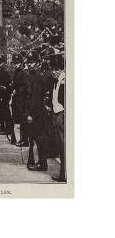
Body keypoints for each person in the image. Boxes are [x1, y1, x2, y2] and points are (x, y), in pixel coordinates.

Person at [51, 53, 66, 182]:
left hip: (62, 115)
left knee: (63, 145)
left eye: (56, 69)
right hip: (56, 114)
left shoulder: (64, 81)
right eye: (52, 69)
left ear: (62, 69)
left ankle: (64, 174)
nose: (53, 71)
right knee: (59, 144)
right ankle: (62, 173)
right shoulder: (56, 81)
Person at [11, 54, 30, 147]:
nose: (16, 64)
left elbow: (25, 86)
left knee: (22, 121)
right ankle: (18, 138)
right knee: (17, 120)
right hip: (16, 99)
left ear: (21, 63)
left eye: (17, 63)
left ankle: (24, 140)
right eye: (15, 63)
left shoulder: (23, 73)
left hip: (21, 100)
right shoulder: (16, 72)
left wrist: (17, 91)